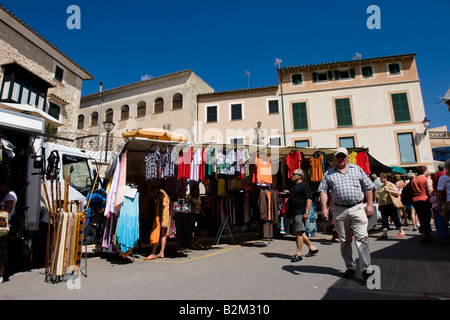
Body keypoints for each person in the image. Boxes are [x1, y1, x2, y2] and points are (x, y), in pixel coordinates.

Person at [318, 147, 375, 280]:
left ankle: (366, 268)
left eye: (343, 156)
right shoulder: (328, 173)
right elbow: (323, 191)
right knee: (344, 240)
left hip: (357, 207)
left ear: (348, 157)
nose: (341, 159)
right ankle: (350, 267)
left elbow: (368, 187)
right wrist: (324, 207)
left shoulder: (357, 169)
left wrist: (370, 204)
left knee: (362, 238)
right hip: (339, 210)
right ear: (334, 158)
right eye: (339, 156)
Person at [288, 169, 318, 262]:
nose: (291, 175)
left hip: (300, 212)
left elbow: (309, 199)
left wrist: (307, 212)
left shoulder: (304, 185)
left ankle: (298, 253)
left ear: (300, 176)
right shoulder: (293, 187)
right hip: (294, 212)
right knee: (299, 232)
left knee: (299, 232)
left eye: (294, 174)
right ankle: (312, 248)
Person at [145, 180, 170, 260]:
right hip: (165, 218)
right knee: (163, 235)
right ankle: (161, 252)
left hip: (160, 217)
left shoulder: (162, 195)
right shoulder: (165, 196)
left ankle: (153, 253)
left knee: (156, 234)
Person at [377, 173, 406, 239]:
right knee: (384, 219)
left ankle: (401, 231)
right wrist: (379, 205)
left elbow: (397, 193)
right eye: (380, 178)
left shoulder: (391, 185)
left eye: (382, 178)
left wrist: (389, 190)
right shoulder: (381, 187)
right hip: (383, 205)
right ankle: (385, 233)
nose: (381, 179)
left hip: (390, 204)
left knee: (394, 218)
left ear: (386, 178)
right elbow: (380, 197)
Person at [0, 180, 17, 284]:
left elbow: (8, 210)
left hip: (2, 226)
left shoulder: (10, 195)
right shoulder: (6, 195)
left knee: (2, 251)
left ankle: (0, 275)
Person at [411, 166, 433, 244]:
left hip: (415, 200)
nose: (427, 172)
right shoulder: (427, 179)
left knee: (421, 217)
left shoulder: (413, 180)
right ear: (424, 171)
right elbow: (430, 190)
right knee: (426, 218)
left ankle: (424, 233)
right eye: (426, 171)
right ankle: (424, 234)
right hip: (425, 199)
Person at [187, 183, 206, 249]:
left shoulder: (198, 197)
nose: (196, 190)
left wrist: (203, 213)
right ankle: (191, 242)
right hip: (192, 213)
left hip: (198, 213)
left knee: (198, 228)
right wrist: (192, 202)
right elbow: (187, 203)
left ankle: (196, 241)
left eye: (197, 189)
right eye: (195, 189)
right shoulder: (190, 196)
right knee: (193, 228)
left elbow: (200, 205)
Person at [436, 159, 450, 245]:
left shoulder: (443, 178)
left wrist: (439, 204)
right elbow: (439, 192)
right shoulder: (443, 178)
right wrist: (439, 204)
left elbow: (439, 192)